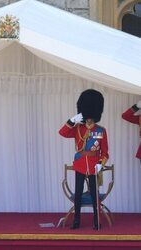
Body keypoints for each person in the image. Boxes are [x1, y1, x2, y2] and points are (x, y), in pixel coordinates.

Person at [59, 89, 109, 230]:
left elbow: (105, 152)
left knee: (94, 194)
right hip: (80, 163)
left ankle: (96, 220)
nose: (89, 118)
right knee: (78, 192)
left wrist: (100, 164)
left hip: (94, 165)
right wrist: (71, 120)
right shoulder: (77, 129)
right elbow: (62, 132)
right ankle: (76, 220)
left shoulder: (100, 131)